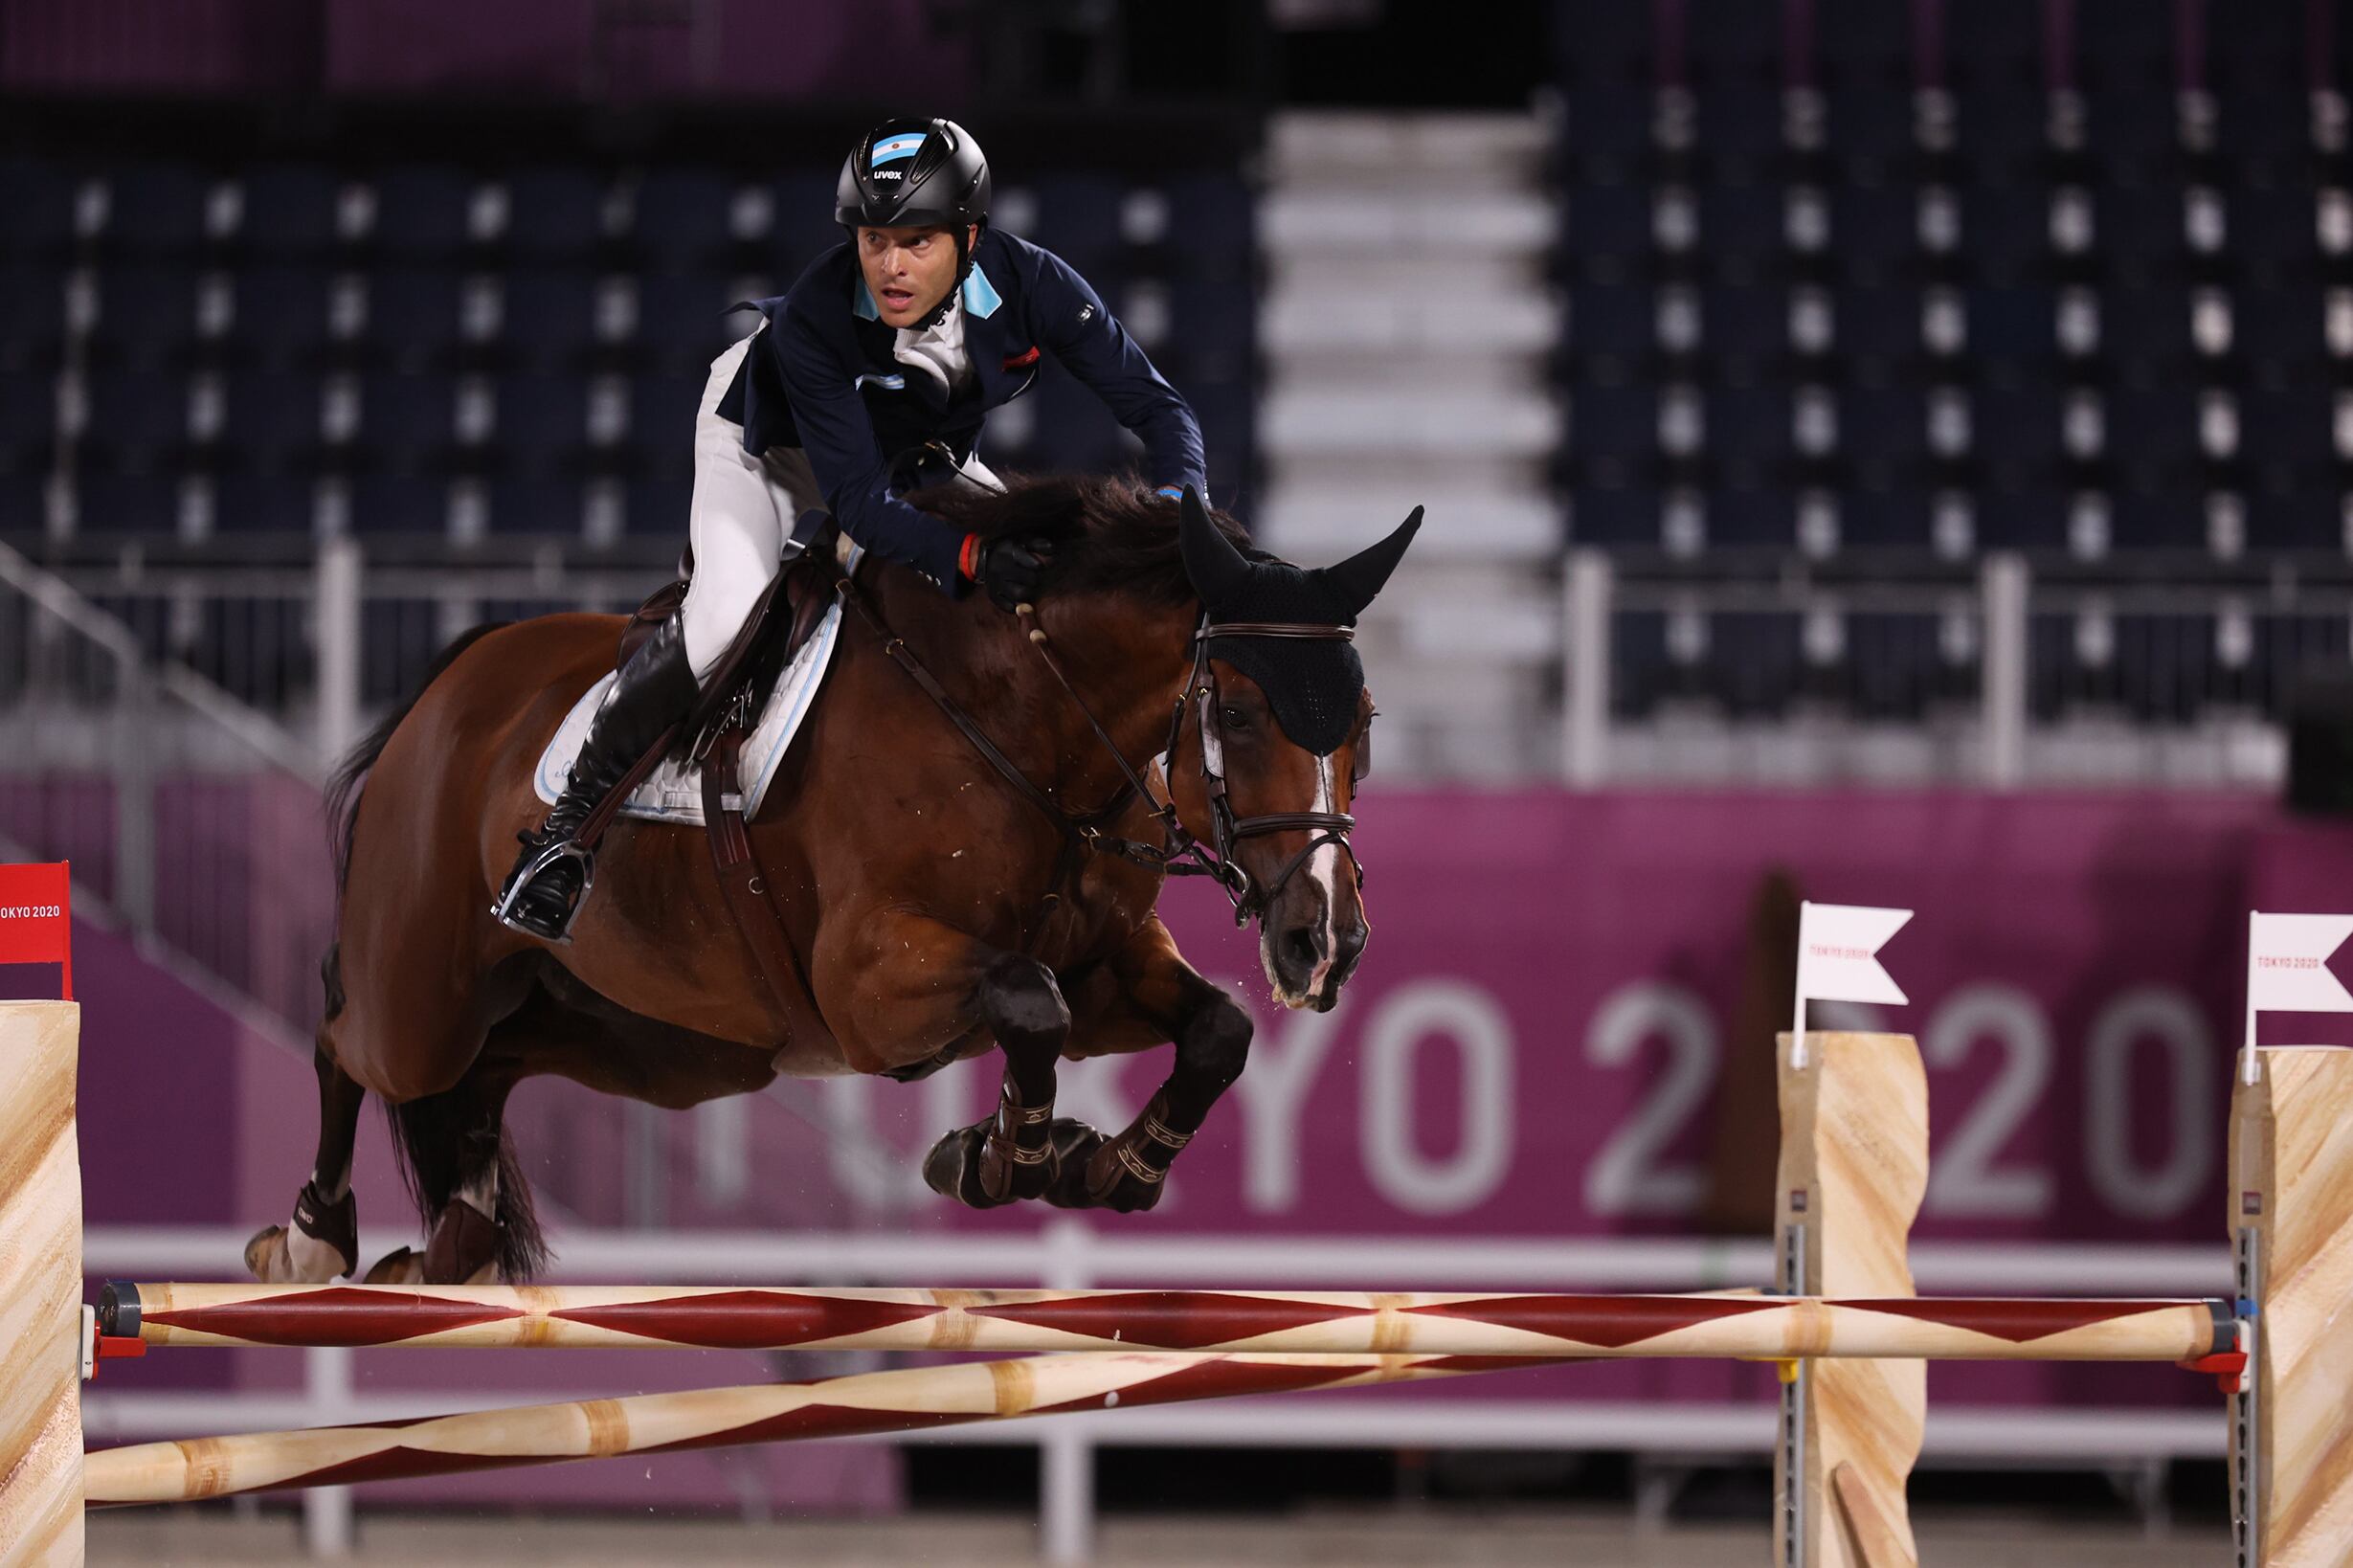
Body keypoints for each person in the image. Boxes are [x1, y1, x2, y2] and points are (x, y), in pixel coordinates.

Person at [494, 115, 1209, 941]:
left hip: (912, 453)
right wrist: (971, 551)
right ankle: (563, 835)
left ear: (970, 237)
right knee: (725, 616)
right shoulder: (817, 317)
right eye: (874, 240)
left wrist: (1173, 516)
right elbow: (861, 505)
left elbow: (1158, 409)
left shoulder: (1036, 284)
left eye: (917, 242)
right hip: (771, 445)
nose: (891, 267)